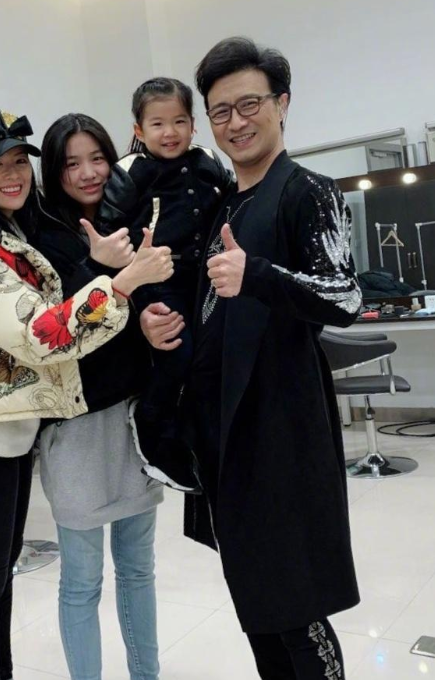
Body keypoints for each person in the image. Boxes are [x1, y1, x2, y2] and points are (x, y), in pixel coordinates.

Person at [0, 108, 172, 680]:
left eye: (16, 162)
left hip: (24, 421)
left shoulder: (19, 226)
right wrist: (117, 278)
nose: (11, 174)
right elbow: (42, 334)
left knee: (11, 574)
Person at [140, 38, 362, 680]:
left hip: (282, 428)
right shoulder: (223, 204)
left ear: (281, 104)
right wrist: (156, 320)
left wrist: (258, 274)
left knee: (297, 605)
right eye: (220, 111)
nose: (235, 122)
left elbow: (344, 296)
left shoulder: (309, 192)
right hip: (225, 432)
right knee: (259, 605)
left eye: (249, 104)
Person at [33, 112, 167, 680]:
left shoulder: (134, 223)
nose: (88, 173)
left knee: (138, 569)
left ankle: (146, 674)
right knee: (81, 581)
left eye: (98, 159)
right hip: (74, 427)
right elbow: (48, 332)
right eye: (72, 163)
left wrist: (152, 322)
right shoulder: (40, 237)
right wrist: (99, 267)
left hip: (132, 416)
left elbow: (145, 307)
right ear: (54, 172)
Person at [96, 77, 233, 492]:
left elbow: (231, 199)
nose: (169, 132)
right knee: (177, 352)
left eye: (179, 121)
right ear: (139, 130)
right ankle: (151, 420)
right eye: (157, 124)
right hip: (156, 279)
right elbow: (110, 225)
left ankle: (196, 440)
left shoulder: (208, 159)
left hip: (203, 280)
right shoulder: (130, 170)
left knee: (209, 357)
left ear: (193, 123)